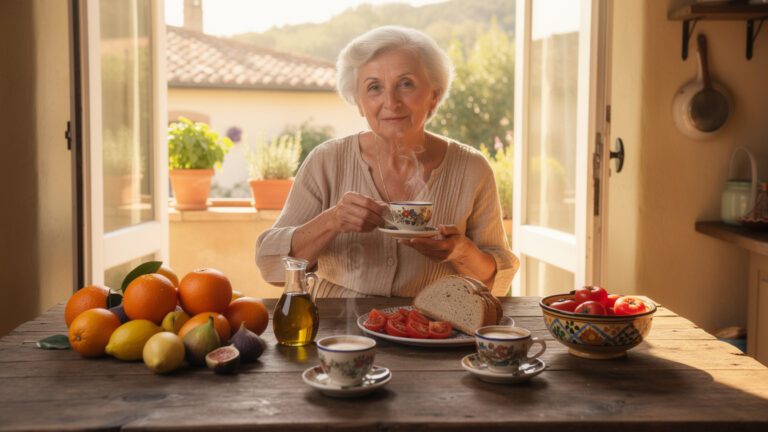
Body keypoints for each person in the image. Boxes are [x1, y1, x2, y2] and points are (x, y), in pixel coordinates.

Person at [256, 25, 519, 297]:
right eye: (374, 88)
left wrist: (460, 251)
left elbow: (496, 282)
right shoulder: (326, 161)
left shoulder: (472, 168)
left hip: (435, 328)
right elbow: (270, 265)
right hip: (336, 329)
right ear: (359, 102)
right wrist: (331, 221)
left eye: (406, 83)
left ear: (433, 96)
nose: (391, 102)